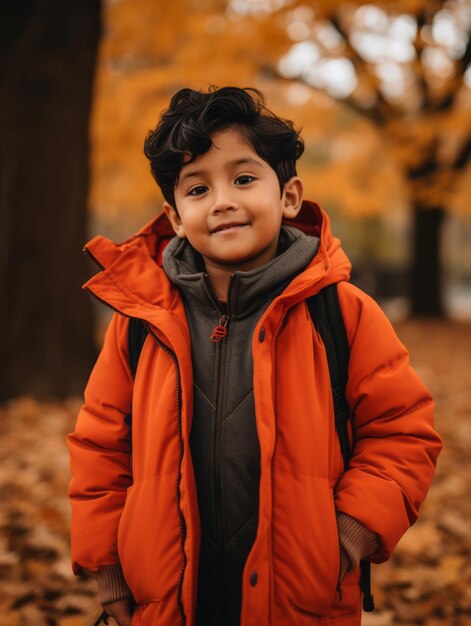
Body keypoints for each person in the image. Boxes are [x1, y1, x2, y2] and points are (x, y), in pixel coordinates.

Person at [67, 86, 442, 626]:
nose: (222, 200)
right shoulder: (139, 324)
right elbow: (100, 447)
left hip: (301, 593)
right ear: (174, 217)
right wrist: (108, 565)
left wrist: (351, 531)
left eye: (244, 179)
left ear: (289, 196)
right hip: (168, 597)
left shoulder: (340, 311)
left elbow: (402, 428)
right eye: (198, 189)